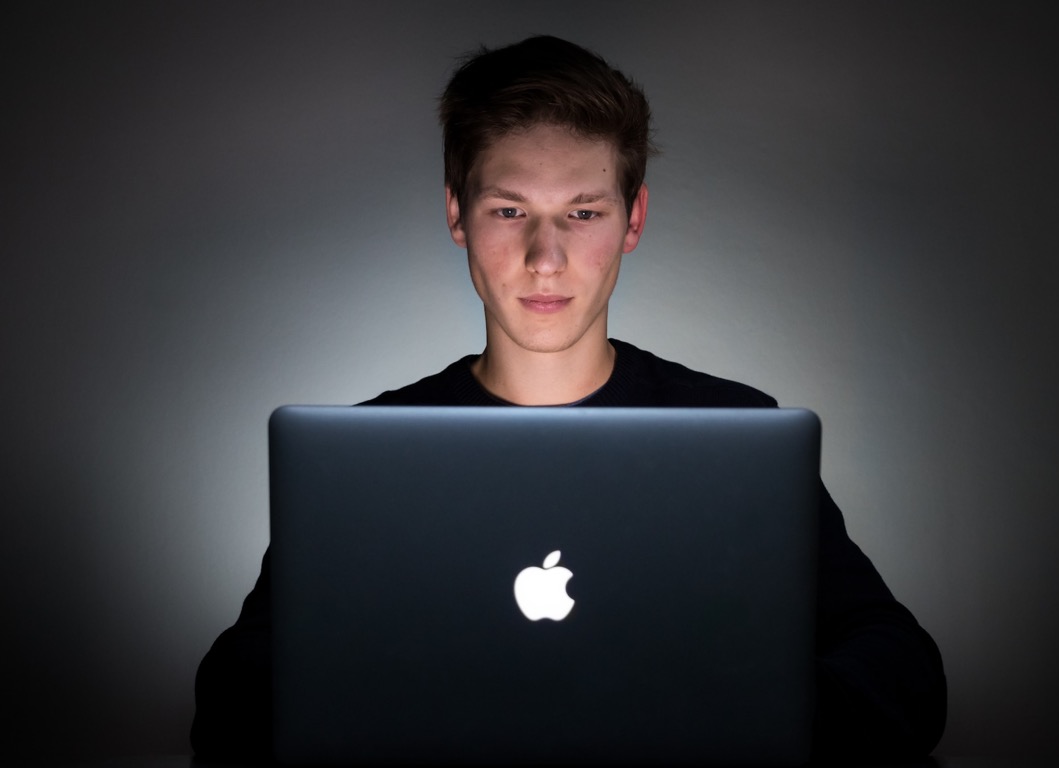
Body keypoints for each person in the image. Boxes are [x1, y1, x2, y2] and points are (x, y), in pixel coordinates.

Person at [192, 35, 946, 762]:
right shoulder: (366, 455)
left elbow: (903, 668)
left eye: (582, 214)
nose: (544, 260)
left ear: (633, 221)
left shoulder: (732, 434)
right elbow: (230, 696)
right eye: (509, 210)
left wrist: (734, 711)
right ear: (457, 214)